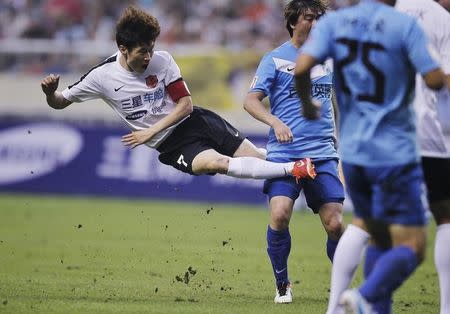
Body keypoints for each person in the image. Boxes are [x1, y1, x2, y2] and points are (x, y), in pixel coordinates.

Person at [41, 5, 316, 183]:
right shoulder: (101, 76)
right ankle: (295, 168)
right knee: (219, 164)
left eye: (151, 48)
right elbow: (60, 102)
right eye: (142, 51)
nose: (149, 56)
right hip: (172, 145)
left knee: (258, 158)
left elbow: (185, 105)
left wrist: (149, 132)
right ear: (123, 48)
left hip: (197, 121)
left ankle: (304, 160)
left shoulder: (162, 60)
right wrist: (50, 93)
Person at [294, 0, 446, 313]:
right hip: (395, 149)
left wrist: (309, 106)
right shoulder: (405, 25)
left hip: (352, 150)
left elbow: (301, 68)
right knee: (414, 246)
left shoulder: (335, 23)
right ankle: (364, 295)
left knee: (373, 229)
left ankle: (350, 307)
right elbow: (433, 79)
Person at [243, 0, 345, 304]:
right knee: (280, 214)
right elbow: (250, 101)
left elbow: (334, 104)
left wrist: (339, 141)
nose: (315, 24)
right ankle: (282, 284)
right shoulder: (274, 59)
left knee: (336, 224)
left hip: (323, 154)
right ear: (292, 22)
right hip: (285, 156)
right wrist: (274, 121)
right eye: (309, 18)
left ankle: (341, 289)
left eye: (318, 19)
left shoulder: (330, 59)